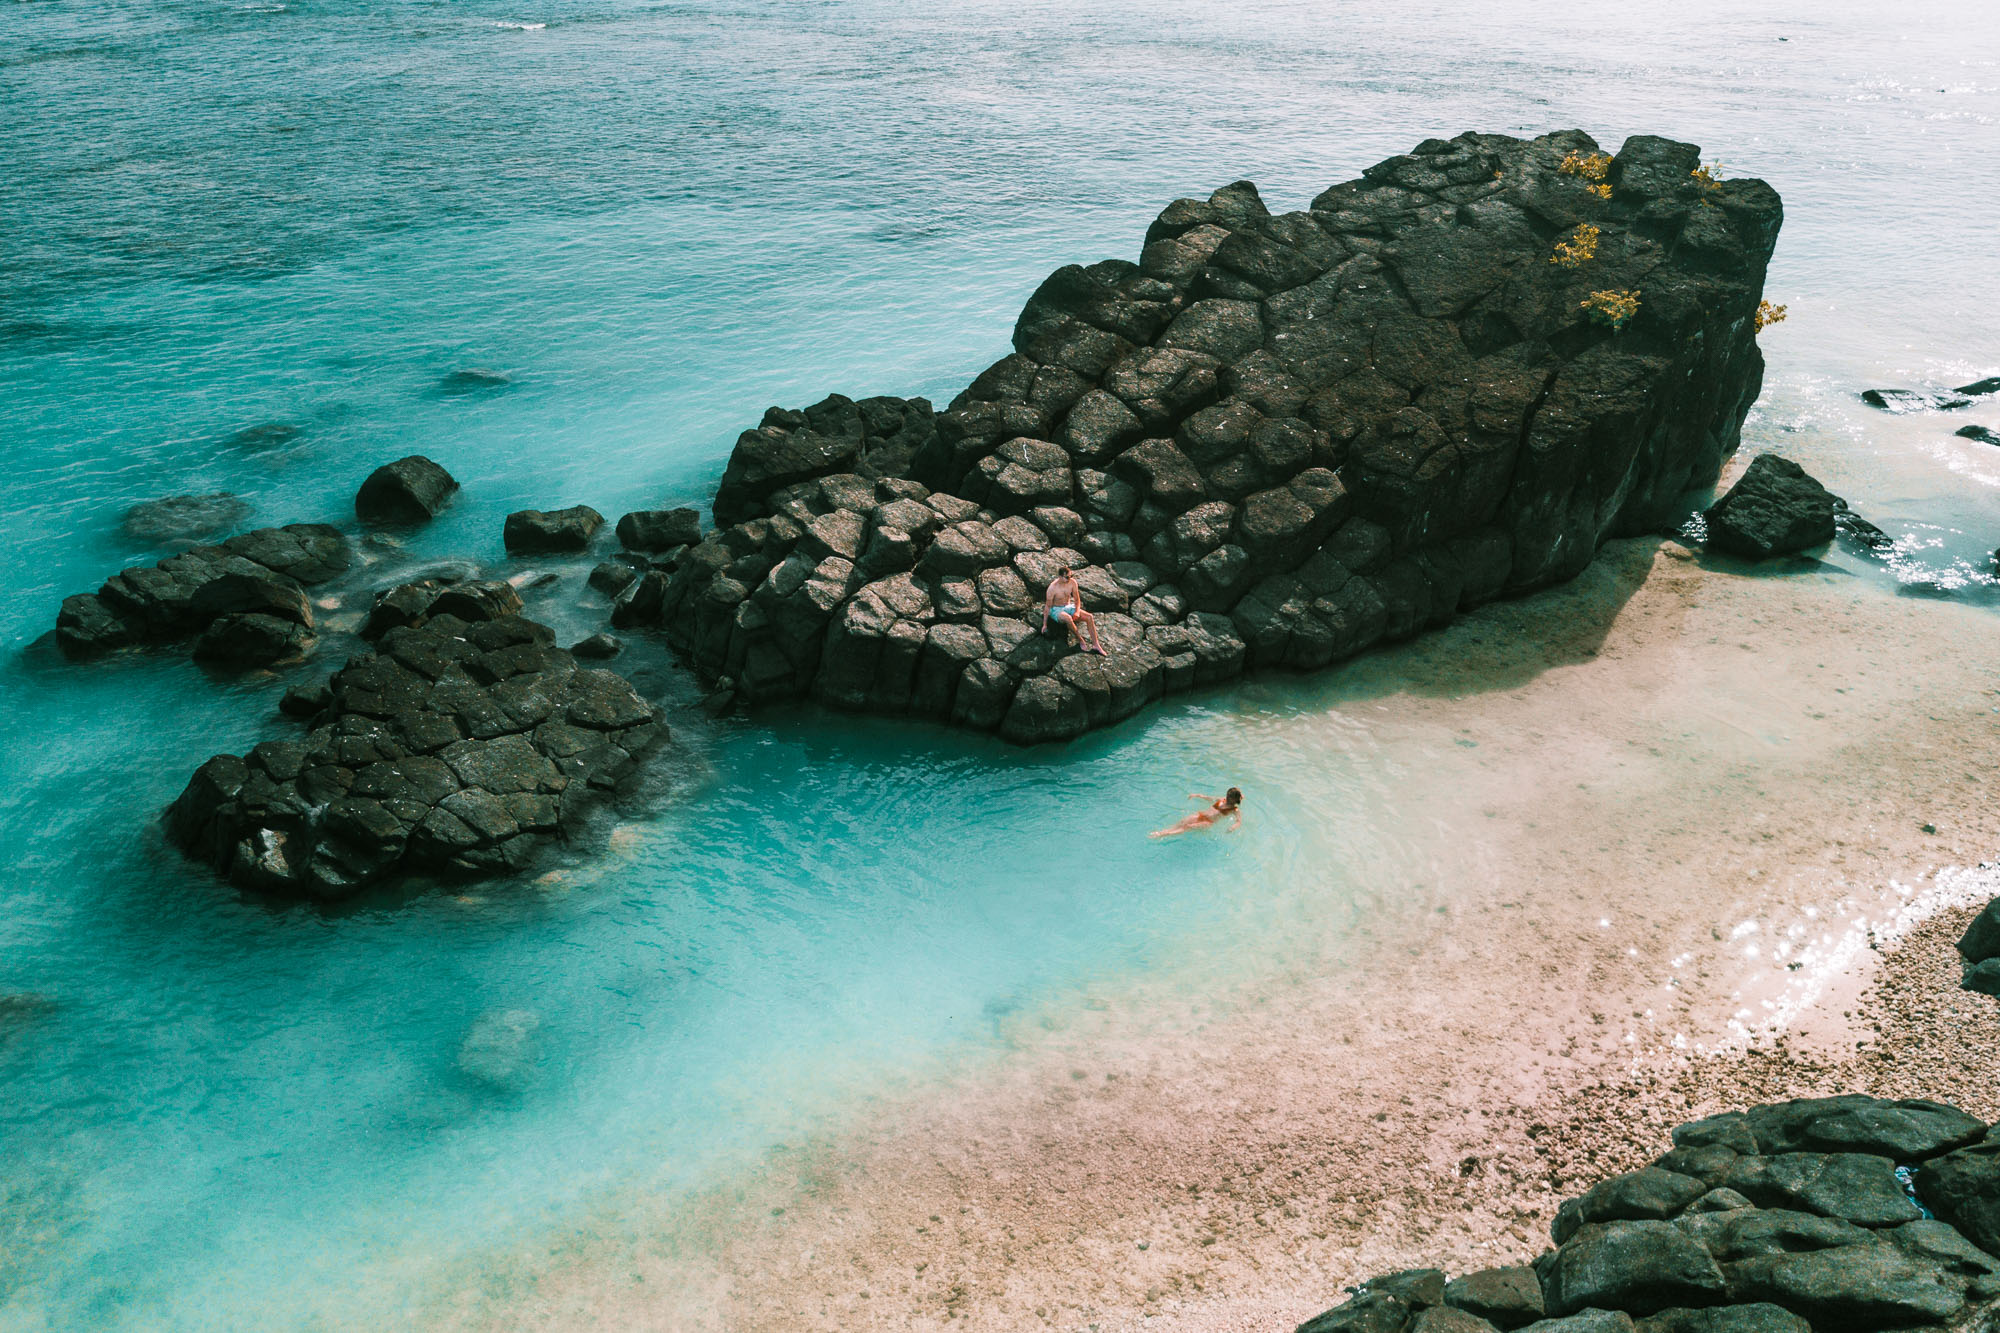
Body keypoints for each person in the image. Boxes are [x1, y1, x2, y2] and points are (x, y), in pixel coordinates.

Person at [1043, 566, 1106, 654]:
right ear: (1060, 577)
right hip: (1056, 610)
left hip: (1068, 606)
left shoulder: (1072, 582)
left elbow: (1077, 599)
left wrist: (1077, 611)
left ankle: (1096, 645)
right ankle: (1080, 639)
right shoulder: (1052, 588)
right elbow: (1047, 606)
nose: (1070, 578)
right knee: (1068, 618)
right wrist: (1044, 624)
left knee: (1089, 617)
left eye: (1071, 576)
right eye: (1067, 577)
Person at [1150, 787, 1243, 838]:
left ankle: (1163, 835)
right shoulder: (1221, 800)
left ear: (1234, 800)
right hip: (1201, 815)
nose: (1227, 798)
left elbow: (1239, 821)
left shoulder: (1234, 810)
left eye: (1230, 798)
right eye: (1227, 796)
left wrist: (1232, 828)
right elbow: (1209, 798)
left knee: (1188, 827)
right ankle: (1164, 831)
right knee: (1182, 822)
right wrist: (1198, 795)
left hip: (1208, 822)